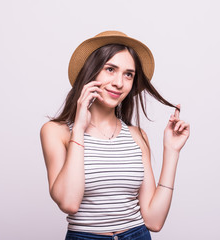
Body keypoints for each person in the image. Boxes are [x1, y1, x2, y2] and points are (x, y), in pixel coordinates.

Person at [40, 31, 190, 240]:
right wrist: (80, 129)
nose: (119, 82)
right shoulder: (57, 131)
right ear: (90, 73)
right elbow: (69, 203)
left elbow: (154, 221)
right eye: (110, 69)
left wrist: (172, 151)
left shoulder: (138, 135)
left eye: (128, 74)